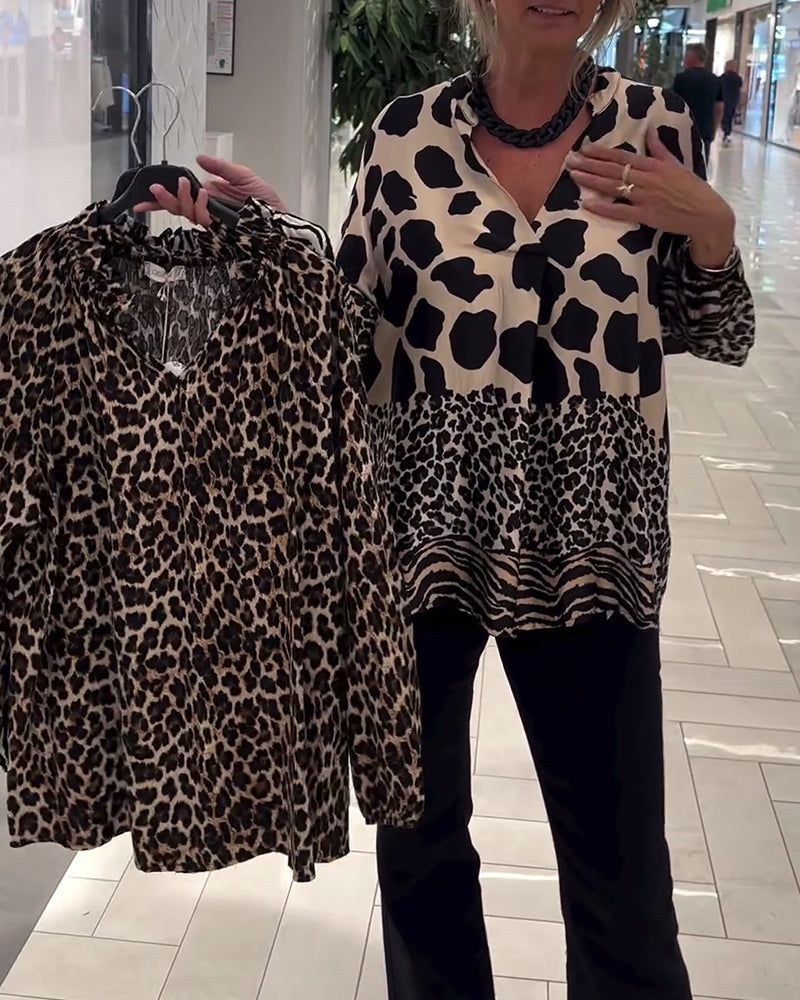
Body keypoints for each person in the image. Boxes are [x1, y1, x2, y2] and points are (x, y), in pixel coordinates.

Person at [142, 0, 755, 997]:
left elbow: (714, 331)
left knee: (622, 878)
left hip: (592, 538)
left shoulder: (651, 127)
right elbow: (346, 330)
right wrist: (277, 244)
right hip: (420, 533)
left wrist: (714, 230)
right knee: (420, 852)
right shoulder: (404, 133)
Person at [672, 43, 724, 164]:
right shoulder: (714, 80)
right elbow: (719, 107)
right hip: (705, 130)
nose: (684, 58)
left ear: (692, 57)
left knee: (681, 164)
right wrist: (714, 128)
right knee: (701, 164)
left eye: (686, 55)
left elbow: (673, 103)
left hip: (683, 128)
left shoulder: (681, 78)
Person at [719, 59, 744, 146]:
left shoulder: (722, 77)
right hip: (733, 100)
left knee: (724, 117)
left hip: (723, 100)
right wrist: (740, 102)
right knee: (730, 117)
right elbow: (740, 90)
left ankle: (725, 132)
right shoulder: (738, 78)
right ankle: (727, 134)